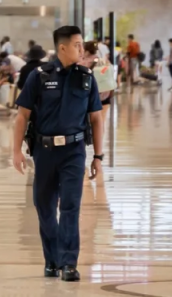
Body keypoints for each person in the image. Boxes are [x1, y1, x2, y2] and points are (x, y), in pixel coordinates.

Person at [12, 26, 104, 283]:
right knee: (44, 206)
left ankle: (68, 263)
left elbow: (96, 119)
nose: (81, 49)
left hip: (74, 152)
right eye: (77, 45)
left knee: (71, 206)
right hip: (44, 152)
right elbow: (22, 116)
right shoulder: (39, 76)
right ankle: (51, 260)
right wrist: (16, 151)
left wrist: (98, 156)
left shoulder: (87, 77)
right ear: (62, 48)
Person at [81, 42, 116, 123]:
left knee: (89, 121)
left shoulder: (83, 62)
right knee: (101, 120)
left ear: (85, 50)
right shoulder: (103, 61)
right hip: (105, 93)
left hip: (90, 94)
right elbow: (111, 72)